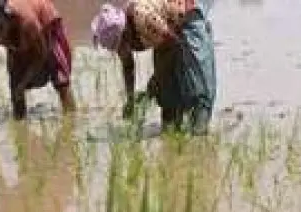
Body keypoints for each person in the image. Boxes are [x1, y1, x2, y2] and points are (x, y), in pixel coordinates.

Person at [91, 0, 216, 135]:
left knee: (197, 85)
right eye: (117, 47)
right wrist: (131, 99)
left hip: (185, 15)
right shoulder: (124, 40)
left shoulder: (145, 19)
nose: (121, 50)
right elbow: (128, 67)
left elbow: (176, 44)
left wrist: (153, 84)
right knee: (166, 93)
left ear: (125, 34)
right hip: (165, 32)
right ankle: (171, 127)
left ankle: (199, 133)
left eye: (120, 45)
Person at [0, 0, 76, 127]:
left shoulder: (27, 22)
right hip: (20, 35)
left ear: (7, 22)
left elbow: (41, 55)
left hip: (46, 26)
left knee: (61, 81)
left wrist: (24, 82)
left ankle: (71, 121)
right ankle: (20, 123)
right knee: (15, 83)